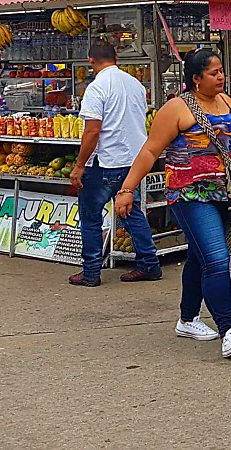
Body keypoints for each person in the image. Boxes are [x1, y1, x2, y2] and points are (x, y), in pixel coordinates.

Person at [117, 49, 231, 359]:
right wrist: (127, 189)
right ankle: (229, 330)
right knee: (217, 259)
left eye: (222, 71)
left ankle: (187, 319)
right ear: (195, 79)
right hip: (190, 194)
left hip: (227, 192)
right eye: (213, 73)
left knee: (200, 257)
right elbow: (149, 152)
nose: (221, 77)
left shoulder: (226, 102)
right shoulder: (176, 108)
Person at [67, 40, 161, 287]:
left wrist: (79, 165)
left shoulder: (97, 88)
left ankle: (91, 272)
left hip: (106, 162)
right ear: (116, 56)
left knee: (90, 217)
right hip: (134, 161)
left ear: (90, 61)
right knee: (131, 213)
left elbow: (92, 131)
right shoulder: (136, 85)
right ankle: (149, 264)